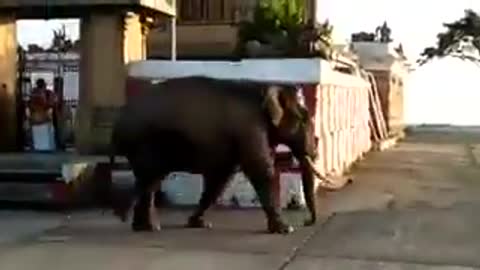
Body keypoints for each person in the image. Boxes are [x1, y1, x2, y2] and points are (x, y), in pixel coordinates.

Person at [28, 78, 57, 151]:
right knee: (45, 133)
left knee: (37, 133)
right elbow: (50, 103)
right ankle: (45, 146)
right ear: (44, 85)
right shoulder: (47, 93)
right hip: (44, 117)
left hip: (36, 117)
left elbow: (31, 105)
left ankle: (36, 146)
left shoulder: (34, 93)